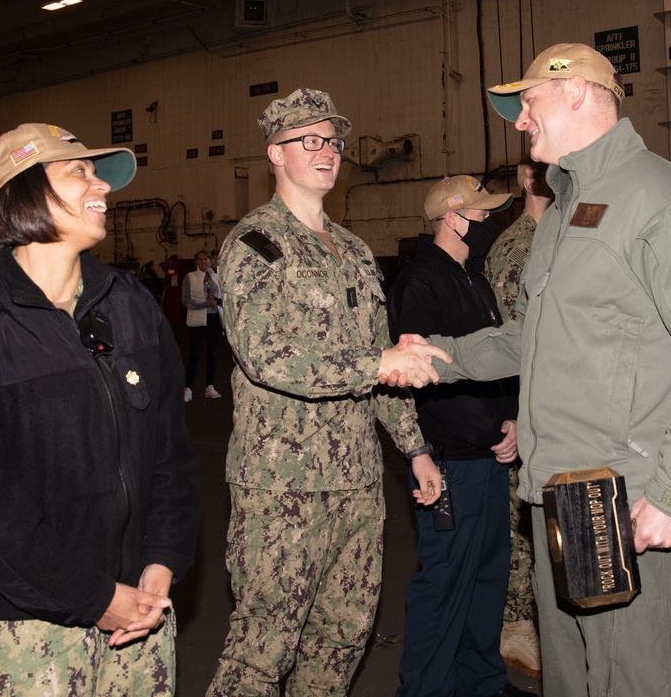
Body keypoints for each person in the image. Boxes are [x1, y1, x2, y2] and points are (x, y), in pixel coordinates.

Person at [409, 43, 671, 697]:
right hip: (560, 497)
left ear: (577, 94)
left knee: (646, 678)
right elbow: (528, 339)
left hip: (626, 500)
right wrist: (431, 357)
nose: (519, 121)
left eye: (528, 101)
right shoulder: (564, 212)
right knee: (572, 677)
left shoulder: (669, 199)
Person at [0, 123, 201, 695]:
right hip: (22, 633)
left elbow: (171, 454)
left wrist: (162, 560)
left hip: (139, 617)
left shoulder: (131, 306)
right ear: (23, 195)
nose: (102, 188)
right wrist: (93, 597)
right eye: (79, 171)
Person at [207, 88, 451, 696]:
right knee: (262, 650)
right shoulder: (254, 245)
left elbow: (381, 365)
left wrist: (415, 448)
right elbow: (267, 358)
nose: (326, 151)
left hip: (359, 484)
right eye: (307, 141)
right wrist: (380, 362)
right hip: (283, 486)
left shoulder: (355, 252)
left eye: (332, 141)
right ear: (275, 154)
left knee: (341, 641)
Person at [387, 175, 528, 697]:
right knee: (444, 582)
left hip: (489, 454)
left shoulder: (475, 278)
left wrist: (512, 418)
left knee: (488, 575)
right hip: (450, 459)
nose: (491, 223)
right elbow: (428, 375)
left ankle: (481, 682)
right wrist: (488, 430)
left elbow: (499, 359)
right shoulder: (419, 284)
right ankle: (426, 689)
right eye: (482, 214)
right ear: (452, 217)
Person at [484, 159, 553, 678]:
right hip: (524, 403)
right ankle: (515, 626)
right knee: (521, 524)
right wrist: (514, 413)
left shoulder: (558, 234)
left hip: (553, 405)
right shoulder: (517, 247)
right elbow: (514, 342)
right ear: (529, 182)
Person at [182, 249, 223, 401]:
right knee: (195, 355)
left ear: (210, 261)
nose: (203, 261)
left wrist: (216, 301)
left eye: (206, 259)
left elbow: (223, 298)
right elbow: (185, 300)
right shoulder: (190, 277)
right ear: (196, 262)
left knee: (213, 355)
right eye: (200, 259)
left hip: (214, 320)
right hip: (198, 321)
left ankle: (209, 387)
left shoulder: (217, 278)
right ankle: (188, 389)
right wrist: (204, 304)